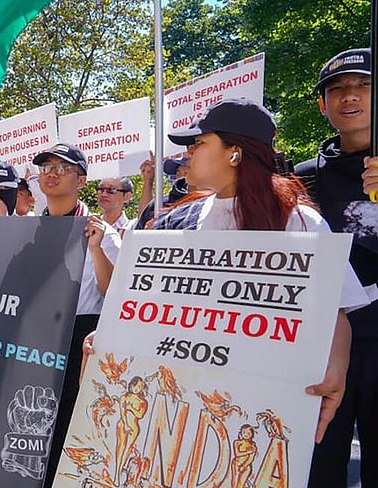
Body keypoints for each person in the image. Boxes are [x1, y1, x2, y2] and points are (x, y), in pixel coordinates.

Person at [149, 97, 362, 462]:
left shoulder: (300, 223)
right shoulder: (176, 221)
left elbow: (335, 312)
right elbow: (144, 309)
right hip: (181, 403)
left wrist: (336, 367)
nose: (188, 153)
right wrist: (106, 340)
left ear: (235, 152)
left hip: (258, 410)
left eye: (199, 143)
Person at [295, 48, 378, 488]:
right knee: (317, 472)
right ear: (323, 105)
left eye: (363, 85)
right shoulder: (302, 178)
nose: (350, 96)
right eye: (337, 89)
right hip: (324, 342)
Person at [31, 142, 121, 488]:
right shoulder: (27, 229)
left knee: (67, 425)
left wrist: (97, 249)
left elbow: (113, 294)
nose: (51, 173)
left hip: (77, 338)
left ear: (81, 180)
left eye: (62, 168)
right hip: (36, 335)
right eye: (46, 167)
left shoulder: (101, 233)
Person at [134, 157, 191, 230]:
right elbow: (142, 224)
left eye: (187, 170)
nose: (181, 175)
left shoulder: (207, 204)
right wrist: (148, 181)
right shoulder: (161, 202)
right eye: (178, 171)